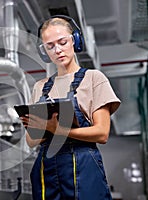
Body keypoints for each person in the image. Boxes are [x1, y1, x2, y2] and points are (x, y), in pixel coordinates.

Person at [20, 15, 121, 199]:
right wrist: (38, 129)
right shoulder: (40, 87)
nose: (57, 50)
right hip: (46, 167)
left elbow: (101, 133)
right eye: (50, 46)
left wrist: (58, 129)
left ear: (75, 40)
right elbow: (30, 140)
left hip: (82, 165)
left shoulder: (93, 78)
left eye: (63, 42)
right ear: (44, 51)